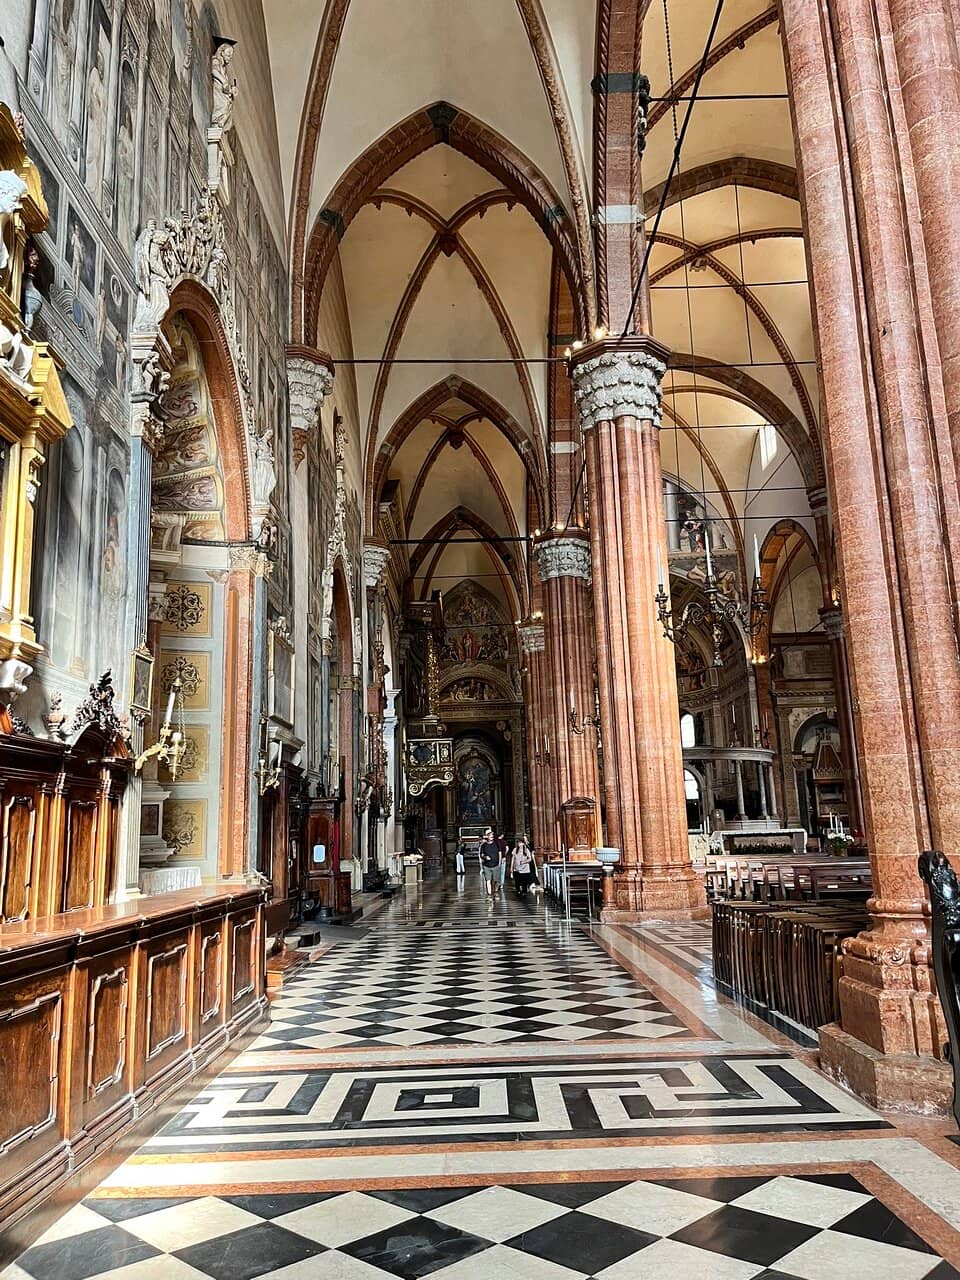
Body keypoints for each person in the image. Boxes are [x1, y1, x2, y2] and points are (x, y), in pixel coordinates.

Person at [478, 827, 501, 897]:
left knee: (495, 880)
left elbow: (500, 853)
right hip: (487, 865)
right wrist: (485, 857)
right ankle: (489, 893)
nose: (492, 836)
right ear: (487, 836)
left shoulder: (496, 844)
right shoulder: (484, 845)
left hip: (496, 864)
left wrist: (500, 863)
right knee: (488, 880)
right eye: (490, 835)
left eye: (492, 835)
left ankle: (495, 890)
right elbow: (481, 854)